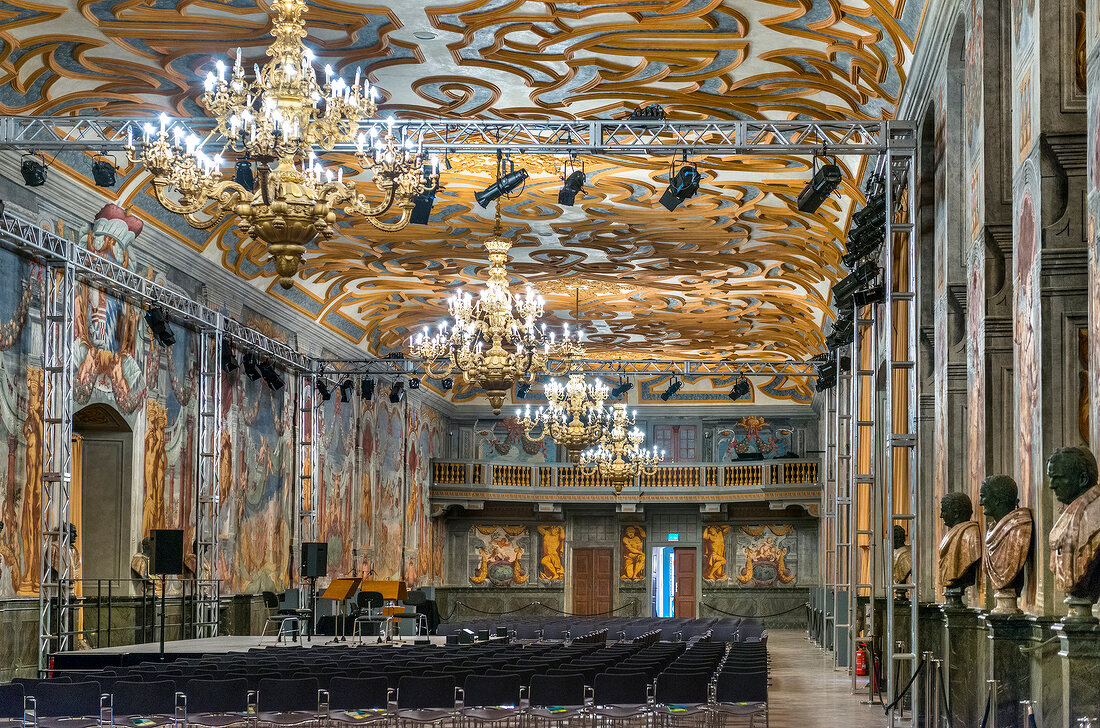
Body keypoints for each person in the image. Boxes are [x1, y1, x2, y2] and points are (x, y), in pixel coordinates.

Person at [1047, 446, 1100, 603]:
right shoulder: (1069, 513)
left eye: (1058, 478)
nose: (1051, 485)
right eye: (1051, 477)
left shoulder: (1095, 515)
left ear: (1082, 479)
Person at [979, 475, 1033, 604]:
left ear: (997, 500)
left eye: (983, 496)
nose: (981, 502)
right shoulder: (992, 531)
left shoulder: (1018, 530)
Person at [937, 492, 981, 604]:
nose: (941, 516)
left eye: (944, 511)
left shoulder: (970, 535)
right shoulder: (953, 534)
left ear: (956, 513)